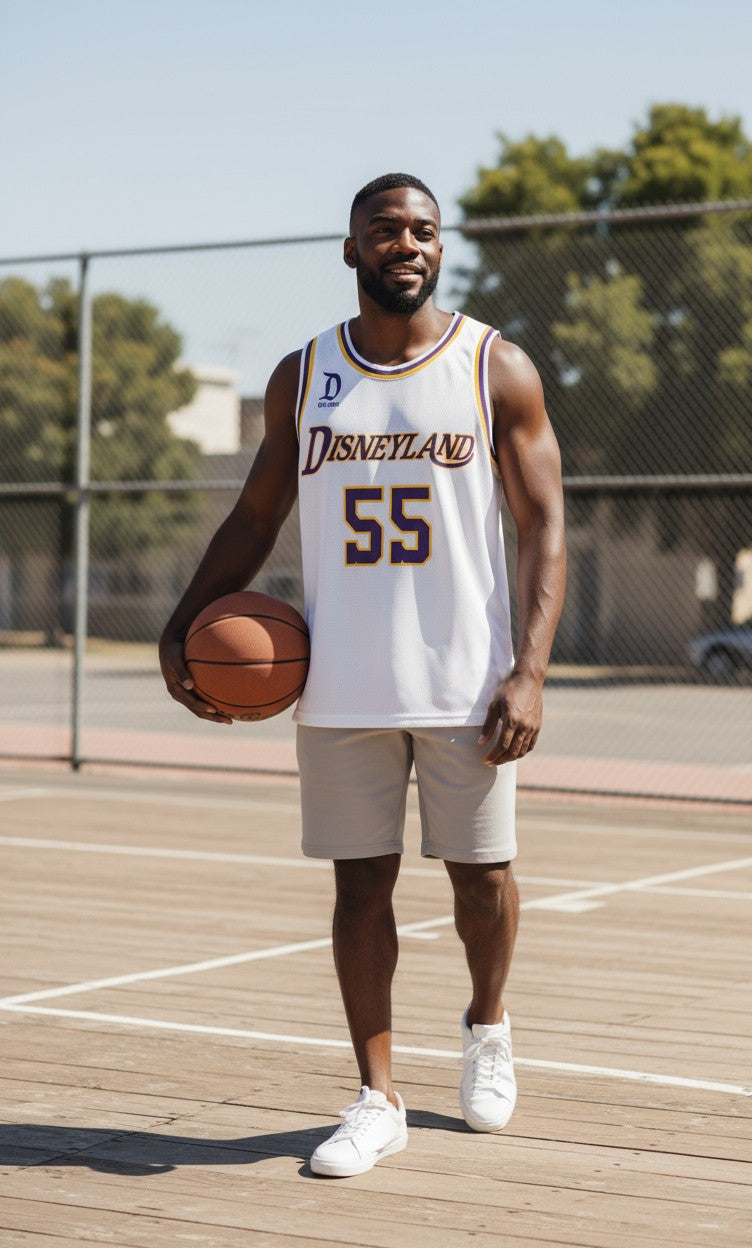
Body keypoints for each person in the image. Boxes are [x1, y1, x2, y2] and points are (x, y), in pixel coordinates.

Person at [159, 172, 566, 1178]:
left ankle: (487, 1024)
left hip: (468, 680)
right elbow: (256, 516)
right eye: (384, 229)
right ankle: (377, 1096)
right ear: (351, 249)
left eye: (422, 230)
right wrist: (182, 625)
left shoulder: (495, 367)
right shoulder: (304, 376)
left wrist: (529, 670)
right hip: (342, 680)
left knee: (482, 879)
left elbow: (543, 524)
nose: (405, 244)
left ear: (441, 249)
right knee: (359, 886)